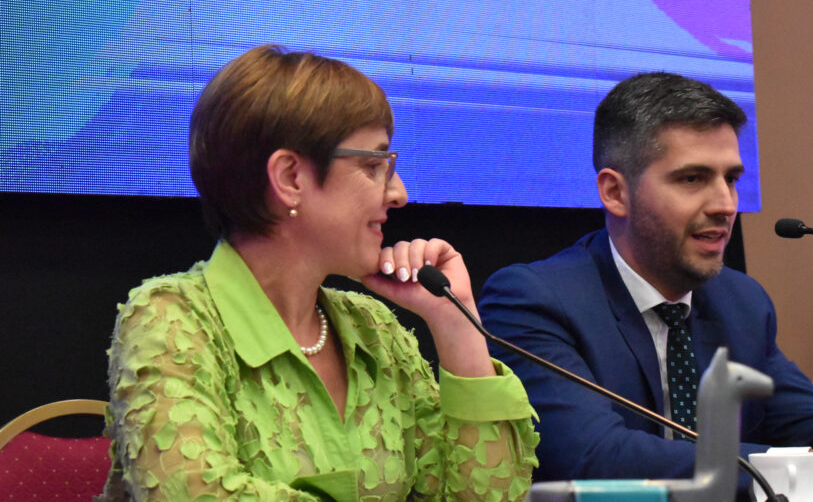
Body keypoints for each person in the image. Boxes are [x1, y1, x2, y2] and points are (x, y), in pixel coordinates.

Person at [477, 72, 813, 493]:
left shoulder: (740, 302)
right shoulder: (534, 301)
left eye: (731, 179)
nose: (725, 204)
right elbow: (596, 457)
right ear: (615, 192)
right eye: (693, 179)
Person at [102, 45, 539, 500]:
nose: (399, 194)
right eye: (374, 165)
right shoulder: (169, 320)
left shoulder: (373, 328)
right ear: (290, 178)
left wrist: (457, 323)